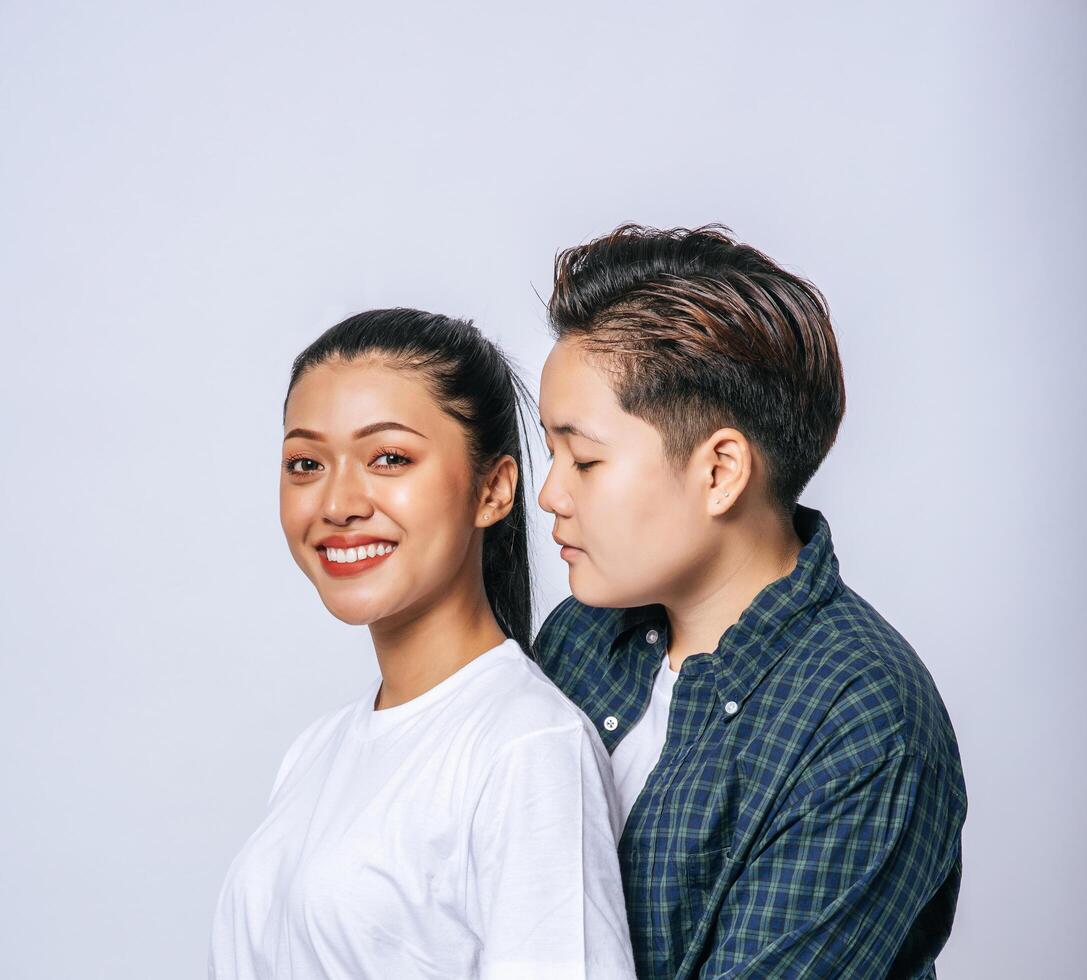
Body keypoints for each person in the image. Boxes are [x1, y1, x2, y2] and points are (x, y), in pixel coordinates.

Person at [534, 224, 967, 979]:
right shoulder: (577, 638)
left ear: (720, 471)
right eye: (550, 454)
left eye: (585, 459)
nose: (549, 494)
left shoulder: (866, 721)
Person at [208, 309, 636, 980]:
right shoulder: (316, 753)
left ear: (492, 490)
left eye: (388, 458)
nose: (338, 502)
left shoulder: (526, 748)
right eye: (305, 463)